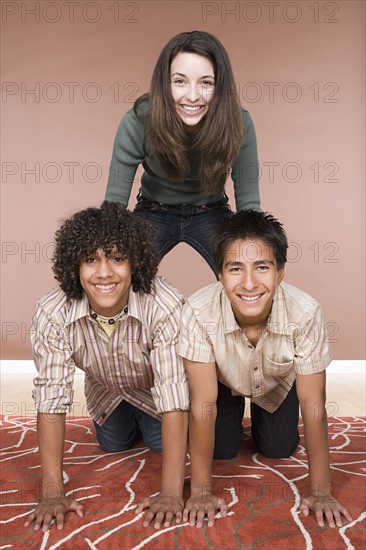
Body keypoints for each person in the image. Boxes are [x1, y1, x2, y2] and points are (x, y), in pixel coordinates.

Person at [179, 210, 352, 528]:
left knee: (279, 448)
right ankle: (234, 420)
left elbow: (314, 407)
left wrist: (321, 491)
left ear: (280, 272)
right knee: (222, 449)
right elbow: (203, 403)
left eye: (262, 267)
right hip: (222, 384)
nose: (248, 283)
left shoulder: (306, 313)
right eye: (235, 269)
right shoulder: (197, 311)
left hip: (276, 384)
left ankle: (265, 419)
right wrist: (201, 492)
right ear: (219, 274)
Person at [25, 203, 189, 532]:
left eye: (116, 258)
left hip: (154, 394)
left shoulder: (165, 305)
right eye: (91, 260)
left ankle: (148, 426)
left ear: (135, 262)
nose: (103, 273)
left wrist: (171, 493)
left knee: (160, 443)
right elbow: (51, 400)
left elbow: (174, 398)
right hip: (106, 393)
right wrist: (52, 493)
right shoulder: (52, 312)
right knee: (112, 443)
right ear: (75, 265)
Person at [105, 31, 260, 275]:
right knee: (119, 270)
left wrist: (255, 249)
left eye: (206, 83)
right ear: (164, 83)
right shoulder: (138, 120)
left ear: (220, 87)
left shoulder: (238, 122)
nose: (192, 95)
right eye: (180, 81)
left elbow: (249, 204)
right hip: (153, 210)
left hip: (211, 210)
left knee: (249, 270)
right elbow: (114, 205)